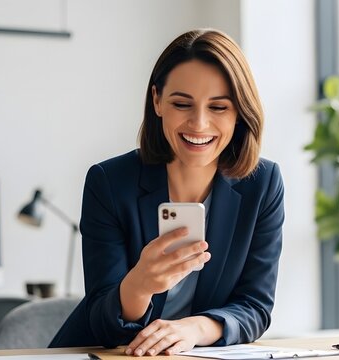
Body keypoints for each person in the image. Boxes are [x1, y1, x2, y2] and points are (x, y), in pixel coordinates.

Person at [50, 28, 284, 356]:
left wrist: (195, 327)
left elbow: (255, 306)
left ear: (239, 112)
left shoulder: (263, 183)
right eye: (182, 103)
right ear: (158, 100)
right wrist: (139, 286)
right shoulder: (109, 182)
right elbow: (102, 323)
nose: (199, 124)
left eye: (218, 107)